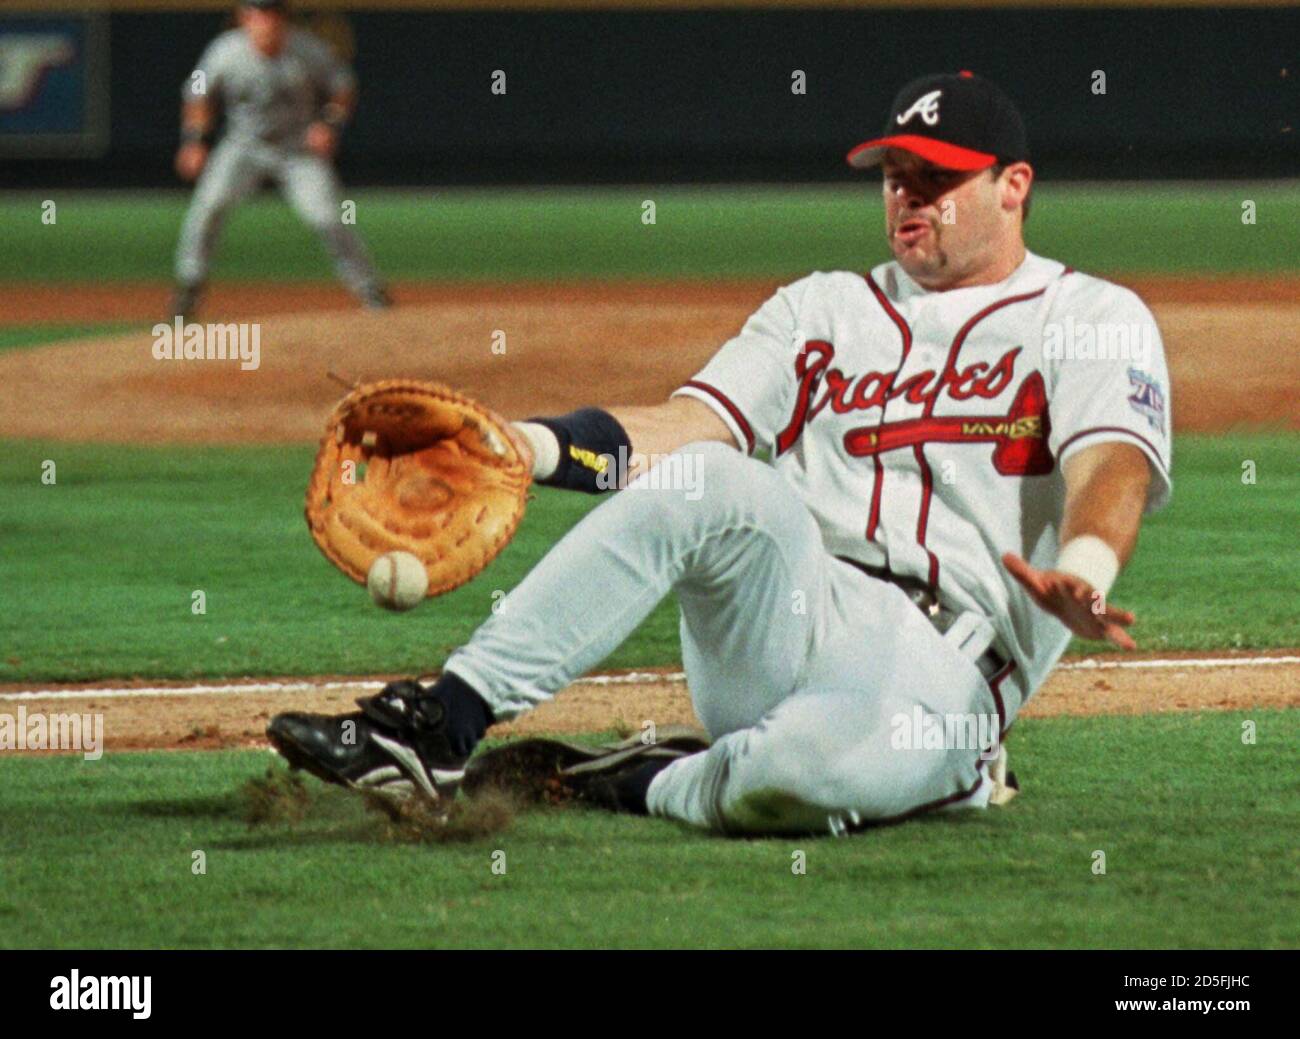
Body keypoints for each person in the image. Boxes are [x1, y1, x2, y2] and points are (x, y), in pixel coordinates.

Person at [268, 71, 1172, 836]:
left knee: (792, 782)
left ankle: (638, 775)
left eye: (937, 177)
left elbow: (1113, 462)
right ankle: (439, 725)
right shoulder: (819, 307)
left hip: (943, 667)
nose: (908, 195)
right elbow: (687, 427)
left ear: (1014, 185)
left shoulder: (1090, 314)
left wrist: (1087, 565)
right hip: (786, 610)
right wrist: (525, 446)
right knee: (714, 475)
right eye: (896, 175)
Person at [171, 0, 388, 319]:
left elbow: (343, 86)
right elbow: (198, 93)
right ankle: (188, 289)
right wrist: (195, 141)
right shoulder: (224, 52)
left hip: (297, 151)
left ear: (283, 18)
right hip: (242, 147)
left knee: (332, 216)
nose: (265, 20)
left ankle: (371, 291)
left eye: (272, 12)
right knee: (208, 207)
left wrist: (329, 123)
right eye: (257, 12)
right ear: (244, 17)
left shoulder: (308, 50)